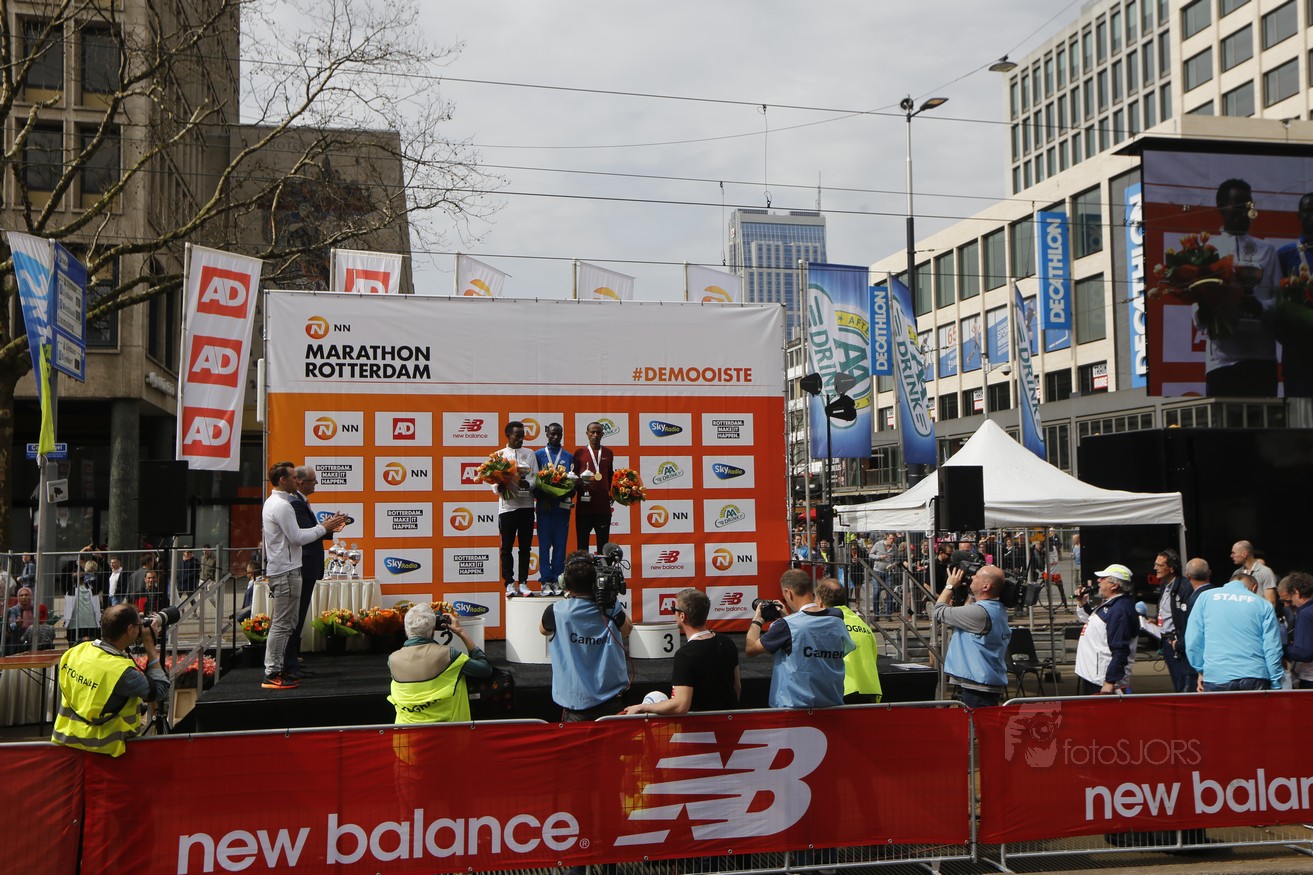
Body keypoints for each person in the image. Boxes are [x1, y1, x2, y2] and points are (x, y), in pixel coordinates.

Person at [261, 461, 347, 690]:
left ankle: (277, 669)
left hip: (286, 568)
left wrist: (324, 528)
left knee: (286, 623)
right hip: (286, 570)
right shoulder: (282, 505)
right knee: (282, 625)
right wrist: (324, 527)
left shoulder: (276, 502)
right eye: (293, 477)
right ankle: (272, 672)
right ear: (283, 480)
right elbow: (297, 538)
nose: (296, 481)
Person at [51, 603, 169, 757]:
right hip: (102, 751)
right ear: (130, 629)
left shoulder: (77, 651)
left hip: (66, 744)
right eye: (138, 625)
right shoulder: (121, 672)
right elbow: (160, 691)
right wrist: (149, 644)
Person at [1199, 178, 1280, 397]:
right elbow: (1198, 313)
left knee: (1265, 419)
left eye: (1248, 206)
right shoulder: (1208, 250)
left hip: (1262, 359)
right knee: (1227, 419)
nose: (1245, 213)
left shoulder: (1267, 250)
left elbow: (1280, 302)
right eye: (1238, 206)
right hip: (1222, 361)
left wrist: (1259, 307)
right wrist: (1208, 306)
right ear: (1221, 207)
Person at [539, 550, 632, 720]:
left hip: (575, 706)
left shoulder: (556, 612)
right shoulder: (611, 607)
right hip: (611, 701)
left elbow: (543, 630)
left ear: (564, 582)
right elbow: (627, 630)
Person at [745, 569, 853, 709]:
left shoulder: (786, 626)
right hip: (832, 706)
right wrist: (789, 617)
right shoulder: (836, 620)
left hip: (794, 709)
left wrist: (757, 620)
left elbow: (751, 649)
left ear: (788, 593)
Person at [622, 587, 739, 715]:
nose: (673, 613)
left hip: (700, 725)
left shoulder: (685, 655)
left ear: (682, 616)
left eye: (674, 610)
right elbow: (737, 688)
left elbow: (680, 705)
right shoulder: (727, 642)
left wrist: (643, 707)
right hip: (730, 721)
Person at [387, 603, 492, 723]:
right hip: (447, 731)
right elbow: (485, 669)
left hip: (405, 732)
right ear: (433, 630)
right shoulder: (449, 655)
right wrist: (461, 632)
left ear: (406, 630)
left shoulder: (392, 660)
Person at [1185, 567, 1283, 692]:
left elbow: (1193, 639)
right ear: (1254, 588)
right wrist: (1275, 682)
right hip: (1254, 675)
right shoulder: (1264, 605)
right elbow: (1272, 648)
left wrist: (1202, 670)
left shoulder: (1205, 597)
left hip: (1217, 676)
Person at [933, 564, 1012, 707]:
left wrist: (950, 586)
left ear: (986, 586)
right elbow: (968, 610)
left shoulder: (980, 613)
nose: (972, 577)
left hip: (978, 688)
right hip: (982, 682)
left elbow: (938, 611)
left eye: (977, 576)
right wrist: (971, 593)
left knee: (976, 721)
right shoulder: (996, 609)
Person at [284, 465, 330, 681]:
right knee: (296, 616)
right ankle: (289, 663)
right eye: (313, 480)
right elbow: (303, 536)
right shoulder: (295, 503)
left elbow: (310, 533)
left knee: (298, 616)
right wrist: (326, 527)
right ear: (301, 483)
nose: (316, 483)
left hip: (308, 566)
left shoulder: (300, 502)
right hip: (304, 566)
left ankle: (292, 659)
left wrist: (328, 528)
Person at [1074, 564, 1139, 695]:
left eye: (1103, 578)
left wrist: (1110, 682)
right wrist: (1082, 603)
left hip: (1102, 680)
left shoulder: (1120, 610)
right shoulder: (1113, 604)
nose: (1098, 580)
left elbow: (1120, 649)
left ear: (1114, 586)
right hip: (1093, 676)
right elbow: (1093, 621)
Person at [816, 578, 882, 704]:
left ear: (820, 601)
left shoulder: (824, 623)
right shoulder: (862, 624)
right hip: (870, 689)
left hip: (843, 690)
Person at [494, 421, 539, 597]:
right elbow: (493, 482)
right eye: (517, 436)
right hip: (507, 507)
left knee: (525, 547)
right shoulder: (499, 455)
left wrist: (529, 484)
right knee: (506, 548)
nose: (521, 439)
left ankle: (524, 583)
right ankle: (509, 583)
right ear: (508, 435)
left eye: (523, 436)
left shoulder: (530, 454)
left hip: (526, 506)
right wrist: (499, 487)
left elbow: (535, 477)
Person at [1145, 550, 1196, 692]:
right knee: (1177, 682)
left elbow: (1188, 619)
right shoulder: (1164, 585)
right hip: (1166, 641)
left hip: (1177, 643)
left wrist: (1180, 643)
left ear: (1172, 568)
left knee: (1184, 684)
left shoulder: (1184, 587)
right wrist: (1156, 619)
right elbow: (1167, 610)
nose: (1155, 568)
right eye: (1155, 564)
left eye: (1159, 565)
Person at [534, 422, 573, 597]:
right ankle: (545, 581)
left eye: (559, 434)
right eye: (552, 434)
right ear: (546, 434)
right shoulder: (538, 455)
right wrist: (542, 495)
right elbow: (533, 480)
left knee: (560, 545)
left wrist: (569, 492)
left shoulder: (568, 456)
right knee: (544, 545)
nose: (555, 437)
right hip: (544, 507)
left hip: (562, 508)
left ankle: (557, 579)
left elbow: (572, 481)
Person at [572, 420, 614, 554]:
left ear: (602, 434)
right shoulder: (579, 453)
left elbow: (610, 477)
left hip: (603, 508)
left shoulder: (608, 453)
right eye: (592, 432)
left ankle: (603, 568)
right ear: (587, 434)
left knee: (603, 545)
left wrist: (613, 493)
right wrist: (581, 485)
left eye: (598, 432)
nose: (595, 435)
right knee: (582, 546)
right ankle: (583, 568)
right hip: (584, 507)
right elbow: (573, 478)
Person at [1280, 572, 1313, 689]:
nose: (1288, 605)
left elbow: (1305, 653)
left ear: (1296, 592)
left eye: (1290, 599)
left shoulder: (1306, 614)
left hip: (1309, 678)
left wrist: (1282, 649)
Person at [1231, 540, 1277, 607]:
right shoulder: (1237, 573)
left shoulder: (1265, 572)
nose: (1231, 556)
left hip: (1259, 612)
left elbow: (1271, 602)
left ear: (1244, 554)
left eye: (1233, 553)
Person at [5, 587, 48, 655]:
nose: (24, 597)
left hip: (33, 637)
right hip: (18, 639)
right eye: (21, 595)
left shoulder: (35, 608)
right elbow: (10, 626)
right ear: (18, 597)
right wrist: (16, 623)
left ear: (30, 596)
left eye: (26, 595)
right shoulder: (13, 610)